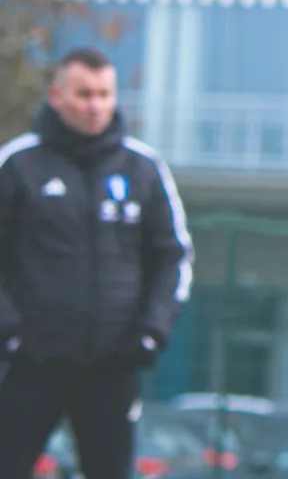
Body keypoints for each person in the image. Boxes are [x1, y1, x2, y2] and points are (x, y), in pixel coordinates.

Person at [0, 48, 194, 479]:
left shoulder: (143, 169)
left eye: (104, 94)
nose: (95, 105)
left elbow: (173, 258)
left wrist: (150, 333)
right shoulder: (18, 164)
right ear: (57, 96)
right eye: (84, 94)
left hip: (113, 366)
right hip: (32, 363)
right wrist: (10, 332)